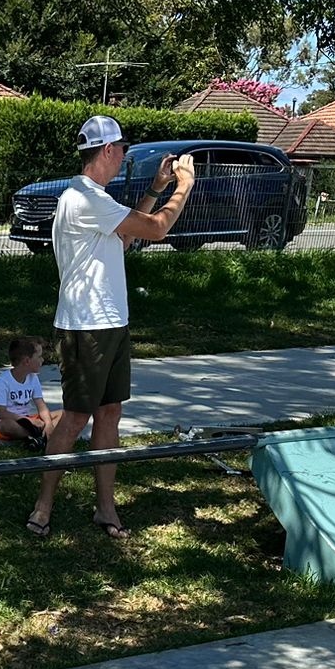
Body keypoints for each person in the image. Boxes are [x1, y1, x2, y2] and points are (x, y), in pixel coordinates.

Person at [26, 118, 197, 540]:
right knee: (74, 418)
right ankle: (42, 507)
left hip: (112, 324)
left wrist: (156, 189)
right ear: (106, 151)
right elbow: (155, 230)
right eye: (121, 149)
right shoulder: (84, 199)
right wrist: (184, 186)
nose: (124, 156)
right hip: (86, 327)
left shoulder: (93, 198)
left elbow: (125, 238)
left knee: (110, 414)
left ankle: (106, 509)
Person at [0, 336, 55, 450]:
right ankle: (38, 436)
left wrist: (48, 423)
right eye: (39, 357)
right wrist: (29, 421)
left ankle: (38, 434)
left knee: (62, 414)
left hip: (28, 420)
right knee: (7, 425)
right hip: (5, 422)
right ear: (27, 361)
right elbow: (1, 413)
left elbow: (41, 406)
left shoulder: (33, 378)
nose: (42, 360)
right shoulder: (2, 382)